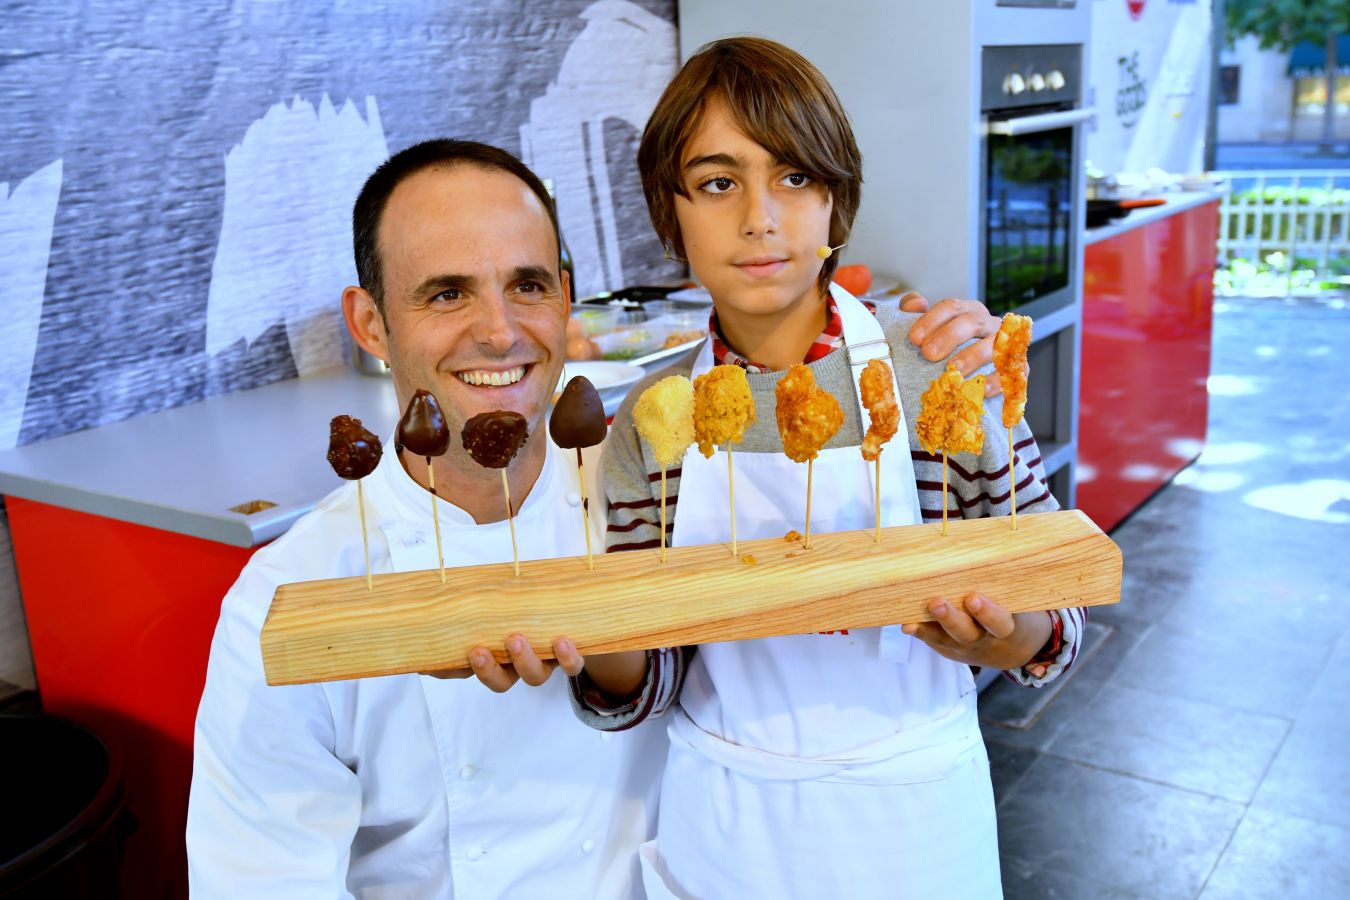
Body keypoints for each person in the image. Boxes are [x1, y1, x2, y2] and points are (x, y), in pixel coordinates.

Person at [185, 137, 1006, 895]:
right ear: (371, 324)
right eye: (447, 293)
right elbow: (258, 879)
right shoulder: (291, 594)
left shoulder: (666, 488)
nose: (500, 332)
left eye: (528, 286)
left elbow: (847, 517)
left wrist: (923, 346)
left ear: (566, 301)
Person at [568, 38, 1087, 899]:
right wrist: (592, 642)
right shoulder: (652, 424)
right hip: (727, 822)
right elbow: (645, 680)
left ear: (836, 201)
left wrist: (1012, 636)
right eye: (718, 182)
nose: (760, 218)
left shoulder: (937, 375)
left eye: (796, 177)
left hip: (910, 818)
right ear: (672, 212)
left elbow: (1058, 608)